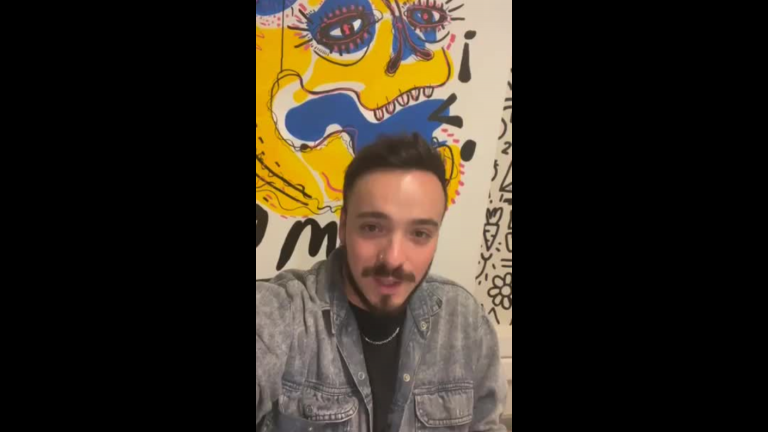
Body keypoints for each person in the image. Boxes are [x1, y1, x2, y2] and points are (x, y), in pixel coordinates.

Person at [256, 134, 507, 431]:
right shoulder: (282, 313)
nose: (393, 259)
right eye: (373, 227)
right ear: (344, 226)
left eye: (419, 234)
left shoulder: (465, 321)